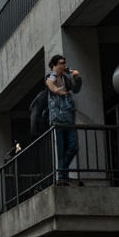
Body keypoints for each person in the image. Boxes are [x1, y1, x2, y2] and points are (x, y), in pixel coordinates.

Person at [45, 55, 82, 184]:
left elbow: (76, 89)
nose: (63, 66)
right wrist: (57, 91)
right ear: (54, 65)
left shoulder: (65, 78)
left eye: (64, 63)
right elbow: (50, 82)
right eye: (61, 63)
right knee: (61, 149)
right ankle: (62, 174)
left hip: (68, 118)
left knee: (73, 146)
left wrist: (77, 78)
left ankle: (63, 171)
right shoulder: (52, 76)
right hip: (57, 119)